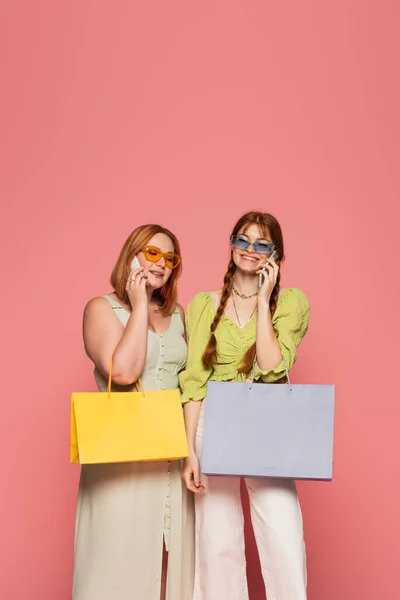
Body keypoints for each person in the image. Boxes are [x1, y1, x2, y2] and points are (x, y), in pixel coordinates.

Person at [179, 211, 310, 600]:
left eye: (262, 244)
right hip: (211, 424)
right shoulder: (203, 304)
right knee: (216, 540)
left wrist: (265, 301)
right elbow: (193, 383)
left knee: (282, 536)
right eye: (243, 240)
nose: (250, 250)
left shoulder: (291, 303)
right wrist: (188, 451)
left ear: (276, 256)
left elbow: (272, 368)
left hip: (265, 425)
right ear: (231, 244)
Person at [72, 224, 194, 600]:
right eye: (152, 253)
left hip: (171, 458)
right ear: (132, 254)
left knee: (166, 564)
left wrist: (192, 451)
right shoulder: (99, 308)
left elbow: (189, 385)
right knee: (113, 564)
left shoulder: (179, 314)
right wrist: (139, 304)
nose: (161, 263)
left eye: (169, 258)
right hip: (121, 458)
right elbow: (123, 372)